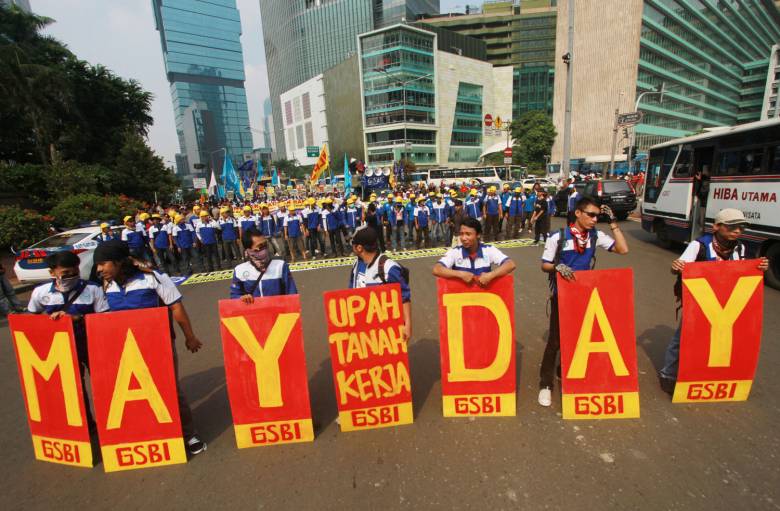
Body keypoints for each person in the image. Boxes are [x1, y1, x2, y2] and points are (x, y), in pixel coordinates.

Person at [93, 240, 206, 455]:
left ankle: (189, 434)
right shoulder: (105, 284)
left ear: (118, 262)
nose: (99, 269)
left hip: (158, 343)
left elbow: (175, 306)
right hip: (125, 348)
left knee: (169, 387)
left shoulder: (153, 277)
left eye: (103, 264)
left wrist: (189, 336)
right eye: (97, 265)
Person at [658, 208, 770, 395]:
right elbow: (679, 267)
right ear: (717, 227)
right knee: (682, 338)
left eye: (741, 227)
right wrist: (676, 266)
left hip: (726, 305)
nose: (737, 231)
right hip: (699, 301)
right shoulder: (698, 245)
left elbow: (741, 272)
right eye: (732, 226)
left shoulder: (740, 248)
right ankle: (668, 375)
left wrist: (760, 267)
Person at [537, 197, 629, 407]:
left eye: (598, 216)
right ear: (578, 213)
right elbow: (545, 265)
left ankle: (566, 373)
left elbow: (623, 250)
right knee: (555, 341)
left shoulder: (595, 235)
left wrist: (613, 222)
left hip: (586, 296)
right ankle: (546, 384)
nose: (595, 219)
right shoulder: (558, 236)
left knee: (579, 339)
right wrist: (557, 267)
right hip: (562, 295)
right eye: (591, 214)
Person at [27, 251, 108, 431]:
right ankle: (86, 425)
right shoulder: (40, 293)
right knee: (72, 389)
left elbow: (105, 319)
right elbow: (31, 321)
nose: (71, 276)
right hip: (60, 350)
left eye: (74, 272)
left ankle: (109, 422)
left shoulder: (93, 289)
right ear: (52, 273)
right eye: (65, 273)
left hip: (91, 344)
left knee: (104, 383)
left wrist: (77, 318)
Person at [348, 227, 411, 341]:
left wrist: (407, 325)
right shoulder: (356, 264)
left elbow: (404, 297)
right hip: (362, 328)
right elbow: (351, 289)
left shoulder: (389, 268)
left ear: (359, 248)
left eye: (352, 243)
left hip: (385, 331)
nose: (350, 246)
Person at [433, 217, 516, 286]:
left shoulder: (488, 249)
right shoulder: (454, 252)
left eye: (468, 234)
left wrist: (490, 275)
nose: (463, 238)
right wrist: (460, 274)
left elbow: (510, 264)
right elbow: (437, 269)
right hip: (460, 299)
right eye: (461, 234)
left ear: (478, 235)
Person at [230, 227, 298, 302]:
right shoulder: (239, 270)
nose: (264, 249)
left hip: (278, 312)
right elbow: (234, 296)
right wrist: (242, 298)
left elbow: (292, 293)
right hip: (252, 313)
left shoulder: (280, 266)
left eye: (265, 244)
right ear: (249, 251)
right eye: (260, 247)